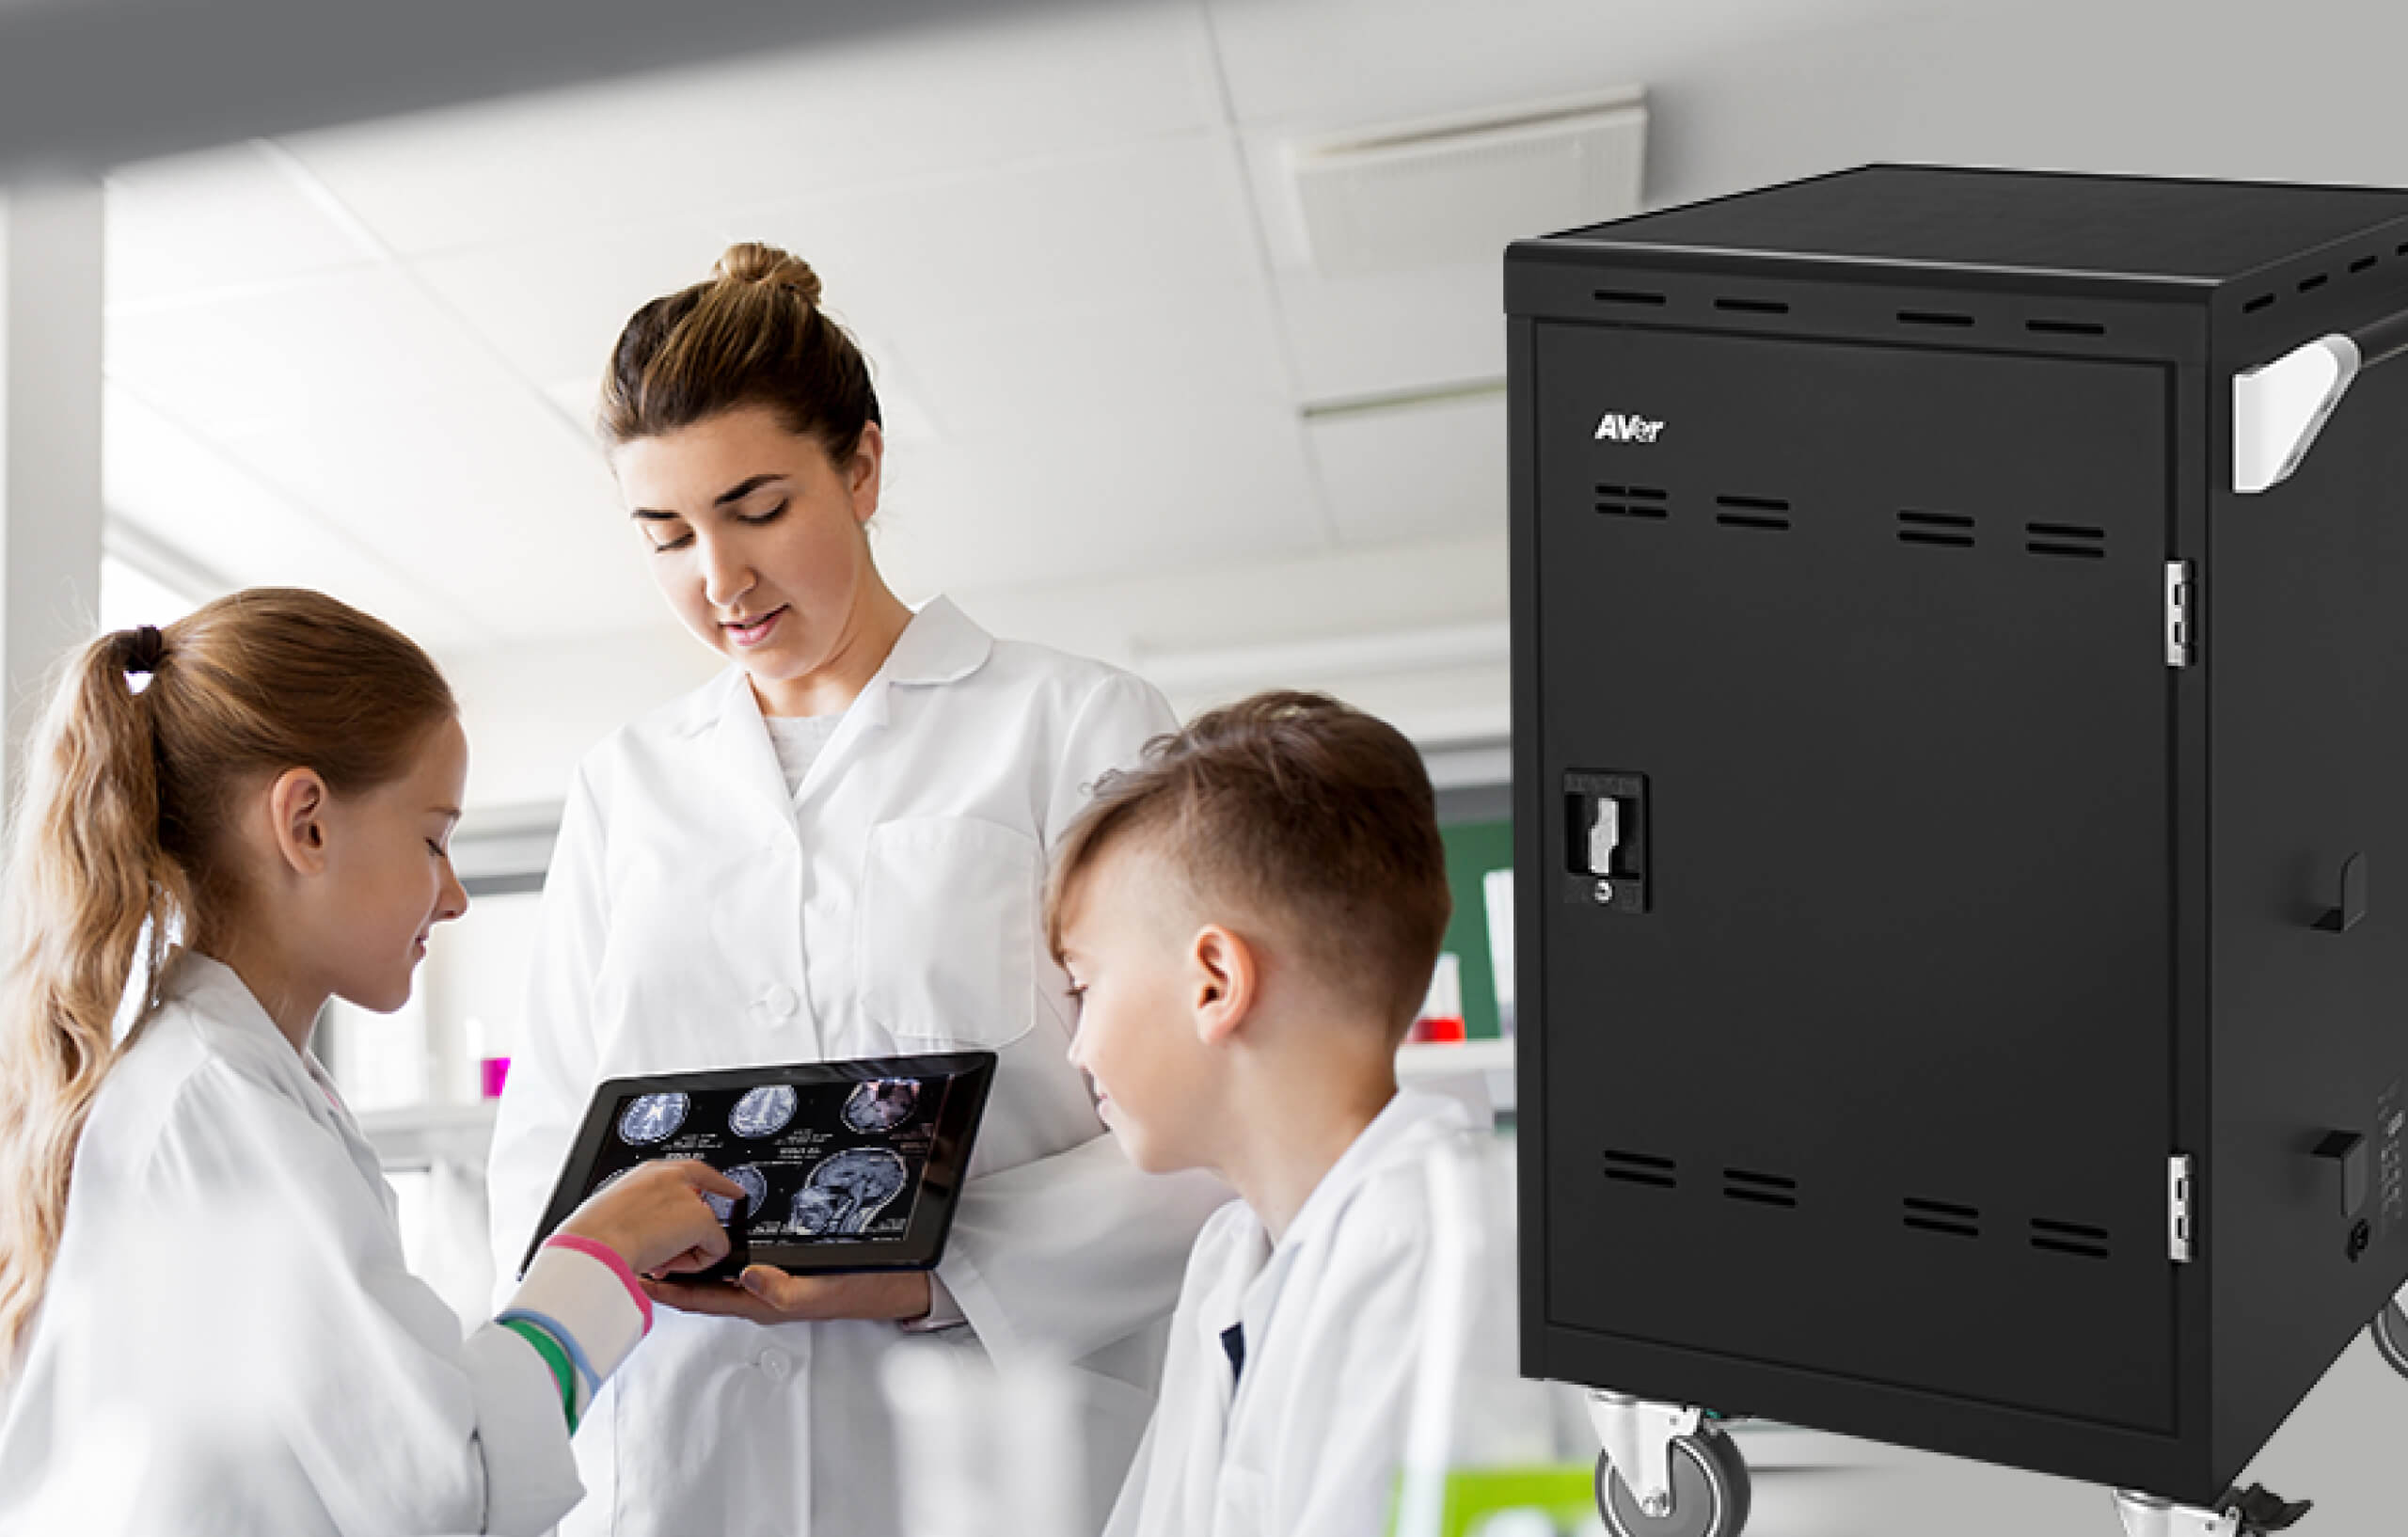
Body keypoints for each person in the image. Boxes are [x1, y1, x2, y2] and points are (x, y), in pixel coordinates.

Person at [483, 242, 1227, 1536]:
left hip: (992, 1455)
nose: (719, 579)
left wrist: (922, 1275)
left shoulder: (1075, 725)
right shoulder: (627, 785)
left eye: (758, 509)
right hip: (692, 1455)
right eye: (668, 535)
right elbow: (546, 1145)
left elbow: (1211, 1120)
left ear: (864, 467)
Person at [0, 590, 746, 1536]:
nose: (455, 895)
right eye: (433, 839)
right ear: (306, 823)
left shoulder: (224, 1082)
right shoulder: (217, 1098)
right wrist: (598, 1254)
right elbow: (446, 1487)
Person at [1046, 690, 1486, 1537]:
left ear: (1215, 982)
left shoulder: (1426, 1251)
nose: (1078, 1048)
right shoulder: (1231, 1255)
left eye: (1083, 987)